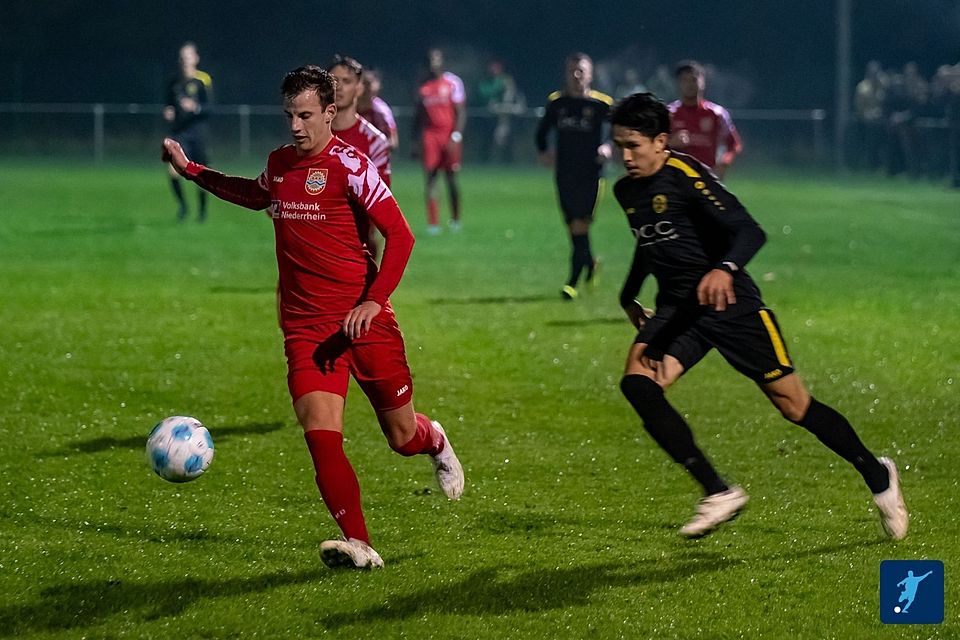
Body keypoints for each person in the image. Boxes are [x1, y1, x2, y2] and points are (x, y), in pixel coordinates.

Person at [161, 65, 464, 570]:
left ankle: (435, 440)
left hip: (364, 322)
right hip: (307, 328)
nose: (296, 126)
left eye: (305, 115)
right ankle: (360, 545)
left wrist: (373, 300)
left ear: (329, 112)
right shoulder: (280, 163)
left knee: (401, 436)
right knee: (320, 431)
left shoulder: (352, 164)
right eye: (289, 115)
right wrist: (192, 170)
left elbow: (401, 236)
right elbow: (255, 194)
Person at [608, 92, 908, 540]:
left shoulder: (687, 175)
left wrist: (724, 268)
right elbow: (649, 244)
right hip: (680, 311)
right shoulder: (626, 190)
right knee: (637, 383)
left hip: (733, 306)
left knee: (795, 406)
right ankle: (718, 491)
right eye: (619, 146)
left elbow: (749, 230)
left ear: (661, 141)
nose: (625, 156)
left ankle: (877, 473)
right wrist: (629, 296)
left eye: (634, 145)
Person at [535, 52, 613, 300]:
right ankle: (590, 263)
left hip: (591, 174)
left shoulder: (601, 104)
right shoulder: (557, 103)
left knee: (580, 225)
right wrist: (544, 152)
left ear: (590, 74)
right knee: (573, 228)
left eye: (581, 71)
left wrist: (609, 147)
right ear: (566, 74)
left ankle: (572, 282)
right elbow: (541, 133)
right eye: (572, 71)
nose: (577, 75)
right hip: (564, 174)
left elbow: (618, 131)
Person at [413, 48, 466, 234]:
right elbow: (418, 116)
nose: (433, 64)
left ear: (442, 61)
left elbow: (460, 112)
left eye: (436, 59)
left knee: (451, 178)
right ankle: (433, 223)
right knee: (431, 178)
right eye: (429, 60)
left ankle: (456, 220)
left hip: (449, 135)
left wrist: (456, 135)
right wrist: (415, 141)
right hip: (430, 136)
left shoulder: (452, 83)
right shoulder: (423, 87)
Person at [163, 42, 213, 223]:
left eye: (188, 56)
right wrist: (168, 111)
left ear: (196, 58)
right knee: (172, 171)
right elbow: (168, 104)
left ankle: (202, 212)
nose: (185, 61)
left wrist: (196, 107)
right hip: (180, 133)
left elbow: (210, 108)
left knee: (201, 175)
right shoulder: (173, 81)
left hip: (198, 133)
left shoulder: (203, 80)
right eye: (182, 57)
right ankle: (183, 206)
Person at [667, 60, 742, 178]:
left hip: (707, 178)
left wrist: (724, 163)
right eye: (685, 80)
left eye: (694, 79)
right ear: (678, 83)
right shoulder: (669, 113)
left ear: (703, 82)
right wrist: (671, 143)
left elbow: (734, 144)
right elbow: (653, 146)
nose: (690, 84)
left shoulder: (717, 114)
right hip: (676, 179)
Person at [475, 59, 519, 163]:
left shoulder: (506, 80)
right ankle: (484, 162)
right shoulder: (484, 82)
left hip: (504, 115)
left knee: (506, 141)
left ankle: (508, 162)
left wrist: (504, 106)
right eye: (492, 68)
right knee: (486, 141)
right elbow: (481, 96)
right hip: (487, 118)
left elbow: (511, 96)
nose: (494, 70)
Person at [358, 68, 399, 151]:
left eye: (369, 83)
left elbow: (393, 141)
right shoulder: (348, 107)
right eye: (364, 83)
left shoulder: (381, 110)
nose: (367, 88)